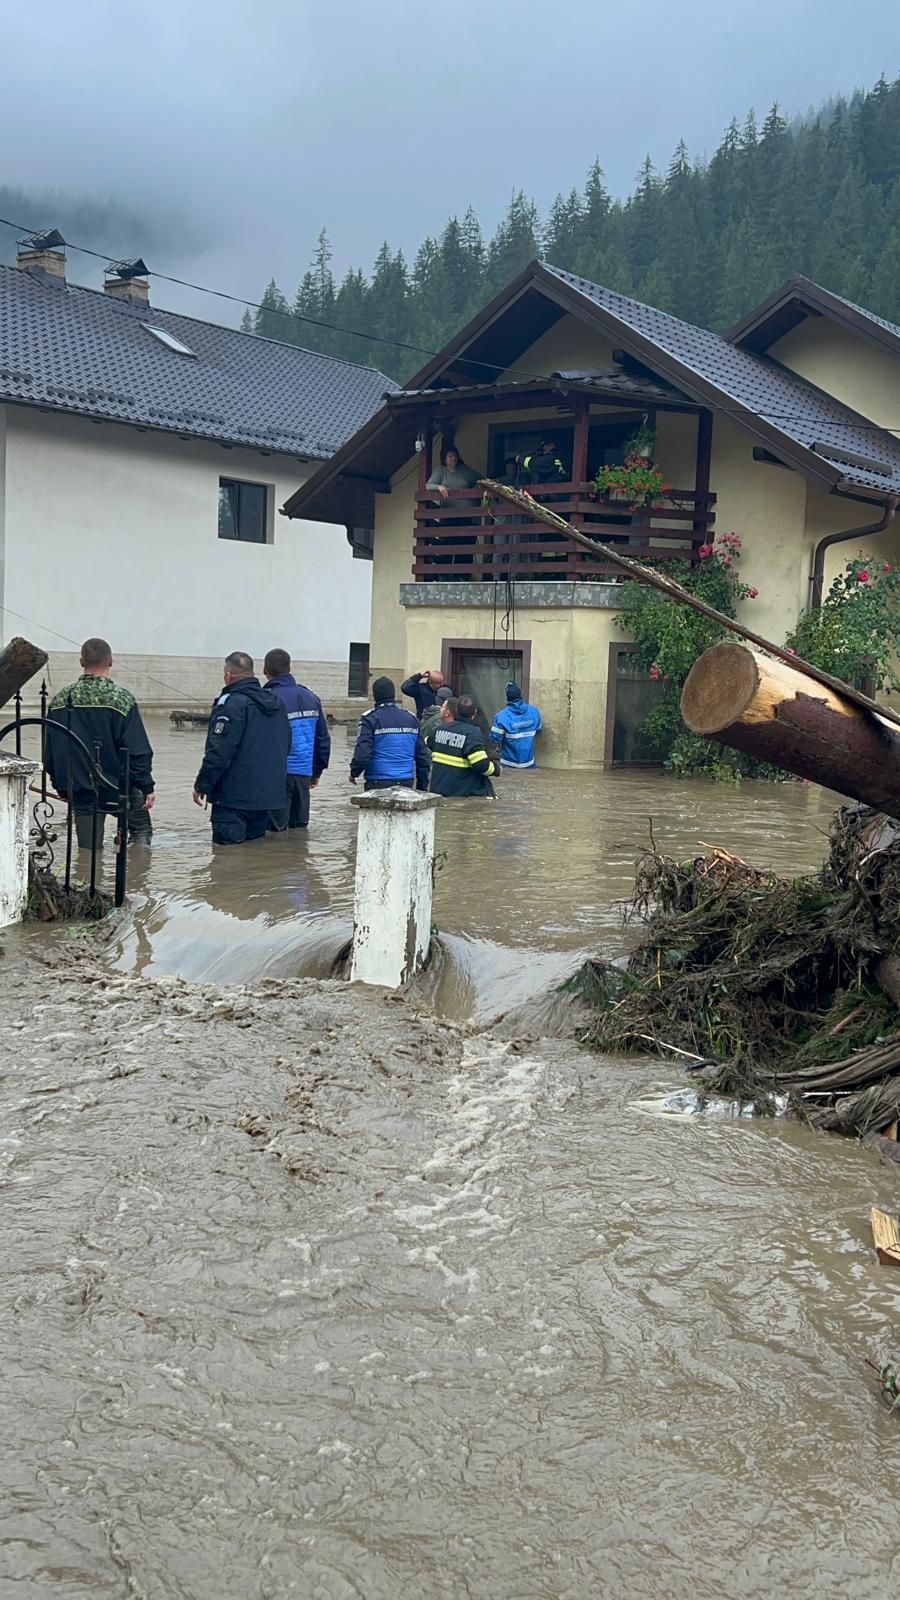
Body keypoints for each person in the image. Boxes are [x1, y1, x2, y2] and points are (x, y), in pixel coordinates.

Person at [44, 636, 155, 849]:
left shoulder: (59, 701)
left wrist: (61, 784)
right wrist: (146, 785)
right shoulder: (122, 699)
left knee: (88, 849)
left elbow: (50, 752)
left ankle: (87, 870)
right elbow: (137, 750)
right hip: (120, 786)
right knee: (141, 832)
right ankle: (138, 868)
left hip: (79, 786)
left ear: (81, 662)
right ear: (111, 661)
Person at [193, 651, 291, 845]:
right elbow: (286, 744)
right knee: (254, 854)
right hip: (265, 799)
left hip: (232, 800)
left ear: (228, 675)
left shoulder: (231, 704)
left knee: (227, 857)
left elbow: (219, 752)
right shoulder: (276, 703)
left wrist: (202, 785)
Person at [262, 648, 331, 831]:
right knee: (299, 832)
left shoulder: (267, 698)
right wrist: (316, 771)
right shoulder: (311, 697)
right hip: (304, 775)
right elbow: (323, 739)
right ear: (290, 667)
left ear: (265, 670)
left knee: (274, 834)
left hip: (277, 777)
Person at [349, 676, 430, 791]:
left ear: (375, 696)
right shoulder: (412, 719)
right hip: (406, 781)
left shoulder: (369, 719)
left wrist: (354, 773)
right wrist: (422, 789)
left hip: (377, 782)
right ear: (393, 695)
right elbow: (423, 758)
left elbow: (362, 754)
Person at [426, 694, 499, 798]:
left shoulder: (439, 729)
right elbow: (481, 764)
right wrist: (496, 769)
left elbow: (428, 742)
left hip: (438, 791)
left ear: (457, 710)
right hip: (460, 792)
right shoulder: (473, 733)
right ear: (475, 712)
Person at [491, 681, 543, 769]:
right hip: (529, 763)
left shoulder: (500, 716)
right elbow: (539, 729)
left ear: (507, 698)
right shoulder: (534, 711)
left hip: (508, 764)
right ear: (520, 695)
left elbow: (495, 739)